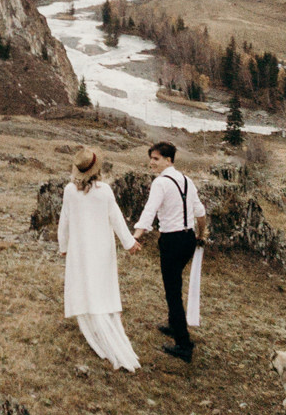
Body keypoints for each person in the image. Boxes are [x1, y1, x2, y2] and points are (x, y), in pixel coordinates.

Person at [56, 149, 142, 371]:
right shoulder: (104, 191)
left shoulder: (69, 191)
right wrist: (129, 242)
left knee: (84, 283)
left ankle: (93, 323)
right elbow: (116, 219)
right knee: (101, 285)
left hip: (80, 248)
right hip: (101, 248)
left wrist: (63, 246)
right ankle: (103, 322)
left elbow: (63, 221)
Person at [132, 140, 205, 362]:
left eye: (156, 159)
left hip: (172, 241)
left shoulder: (161, 183)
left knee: (172, 290)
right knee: (175, 284)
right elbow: (200, 212)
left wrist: (136, 237)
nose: (151, 163)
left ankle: (183, 344)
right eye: (151, 158)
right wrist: (202, 234)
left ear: (168, 160)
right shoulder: (187, 181)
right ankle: (174, 324)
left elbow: (149, 211)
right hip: (188, 239)